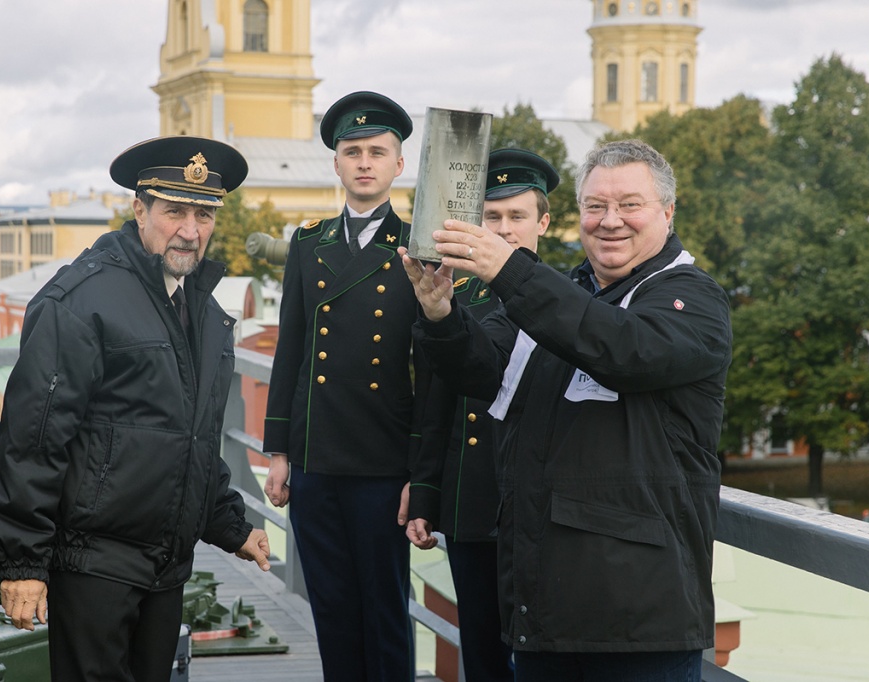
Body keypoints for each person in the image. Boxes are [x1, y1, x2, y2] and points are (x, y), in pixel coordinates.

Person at [401, 139, 732, 681]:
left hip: (636, 622)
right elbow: (483, 370)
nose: (610, 221)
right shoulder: (566, 292)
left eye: (630, 205)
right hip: (544, 613)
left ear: (667, 212)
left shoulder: (691, 299)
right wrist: (440, 316)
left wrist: (510, 272)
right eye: (596, 206)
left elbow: (620, 349)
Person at [0, 136, 272, 682]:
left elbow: (192, 435)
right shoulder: (82, 300)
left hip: (166, 565)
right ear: (140, 210)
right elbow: (35, 436)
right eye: (175, 211)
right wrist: (22, 561)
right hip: (95, 563)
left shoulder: (201, 310)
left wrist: (229, 523)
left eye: (204, 213)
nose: (191, 229)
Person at [262, 90, 432, 681]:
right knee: (331, 605)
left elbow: (431, 370)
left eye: (377, 151)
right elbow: (292, 346)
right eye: (352, 150)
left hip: (384, 458)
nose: (364, 162)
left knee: (385, 610)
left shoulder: (419, 245)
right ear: (335, 163)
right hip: (316, 456)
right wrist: (279, 452)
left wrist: (421, 470)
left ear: (397, 165)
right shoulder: (309, 242)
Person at [405, 148, 560, 682]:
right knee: (482, 653)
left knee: (541, 656)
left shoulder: (566, 298)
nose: (504, 229)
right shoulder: (451, 295)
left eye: (517, 216)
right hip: (472, 499)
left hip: (541, 510)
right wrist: (425, 492)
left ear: (543, 222)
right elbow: (435, 404)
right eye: (492, 217)